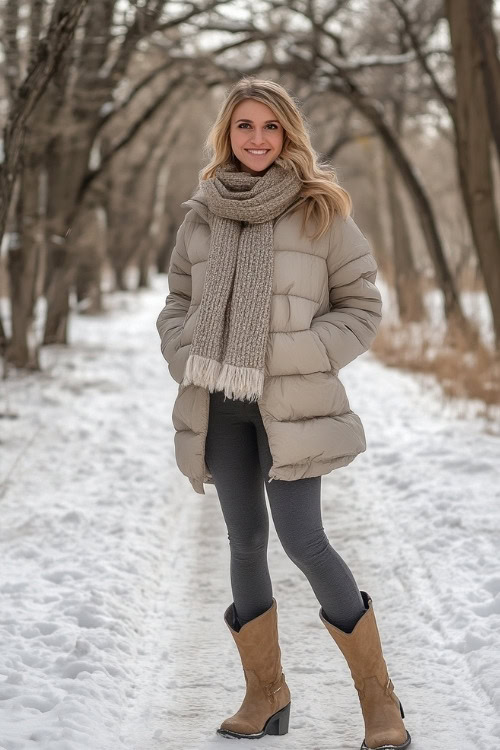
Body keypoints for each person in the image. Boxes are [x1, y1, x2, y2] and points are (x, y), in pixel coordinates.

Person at [156, 77, 411, 750]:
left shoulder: (320, 210)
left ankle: (381, 704)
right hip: (221, 407)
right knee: (243, 543)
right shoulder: (202, 214)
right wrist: (185, 352)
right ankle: (265, 695)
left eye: (270, 127)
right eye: (245, 127)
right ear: (227, 135)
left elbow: (362, 307)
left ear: (288, 132)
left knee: (304, 541)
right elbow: (177, 299)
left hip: (291, 407)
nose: (258, 139)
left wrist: (301, 351)